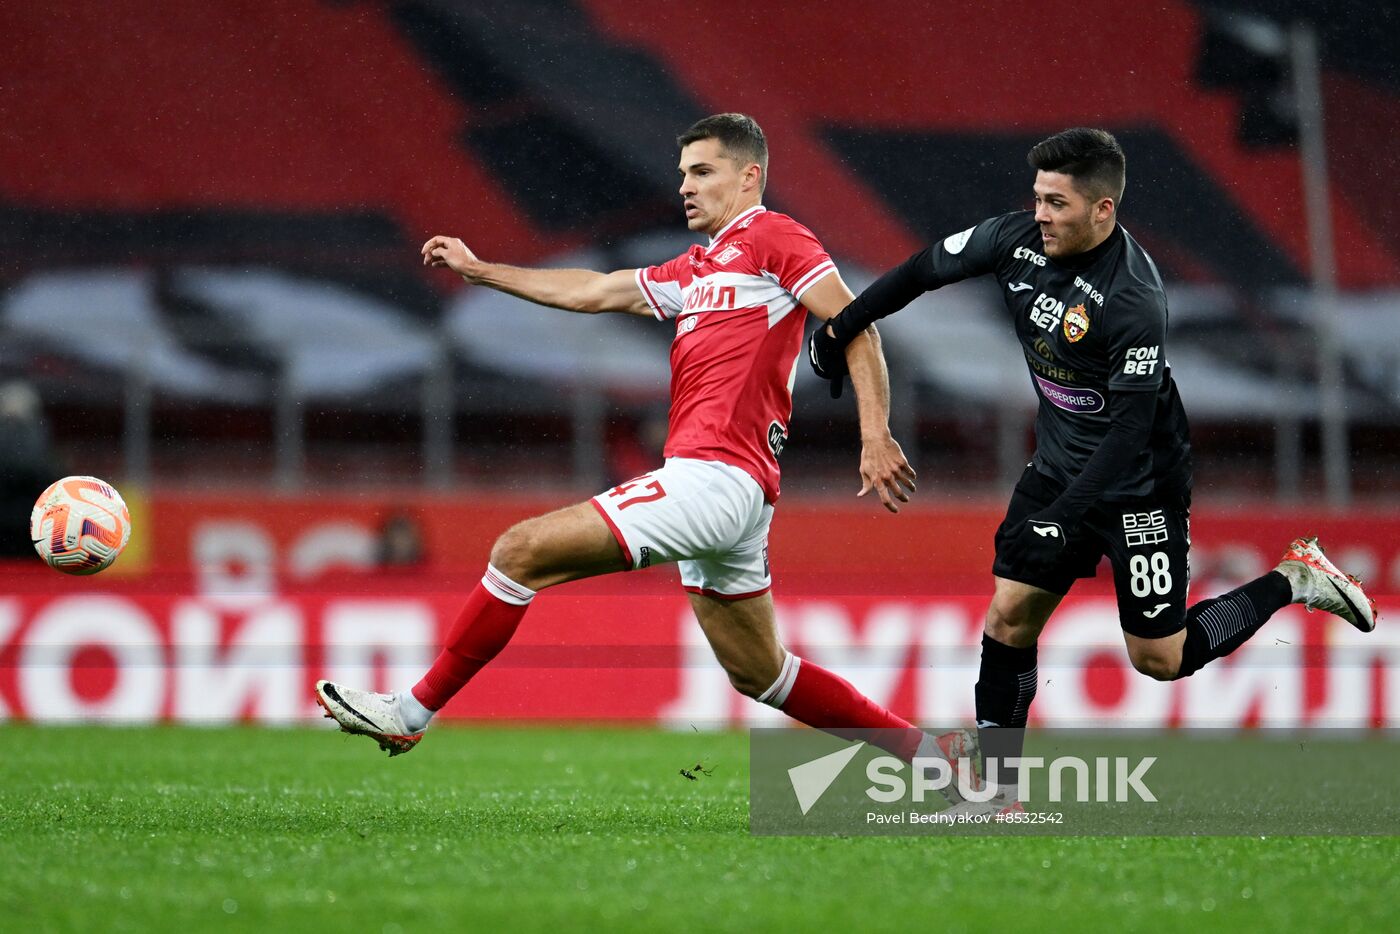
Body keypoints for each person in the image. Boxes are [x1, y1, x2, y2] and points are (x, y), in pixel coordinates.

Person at [315, 114, 961, 770]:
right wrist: (482, 271)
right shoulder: (698, 268)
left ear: (749, 176)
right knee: (761, 673)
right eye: (683, 173)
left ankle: (411, 713)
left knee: (520, 550)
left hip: (713, 478)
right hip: (734, 491)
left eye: (702, 172)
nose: (685, 186)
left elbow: (858, 325)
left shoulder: (773, 237)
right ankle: (936, 762)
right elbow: (597, 289)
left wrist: (874, 434)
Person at [808, 127, 1378, 811]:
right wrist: (841, 328)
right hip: (1057, 466)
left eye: (1057, 203)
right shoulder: (1013, 238)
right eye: (1039, 199)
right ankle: (998, 791)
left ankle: (1296, 577)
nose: (1040, 214)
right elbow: (920, 271)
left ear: (1103, 210)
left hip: (1140, 483)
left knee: (1159, 658)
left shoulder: (1133, 297)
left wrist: (1064, 516)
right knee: (1009, 617)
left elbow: (1130, 429)